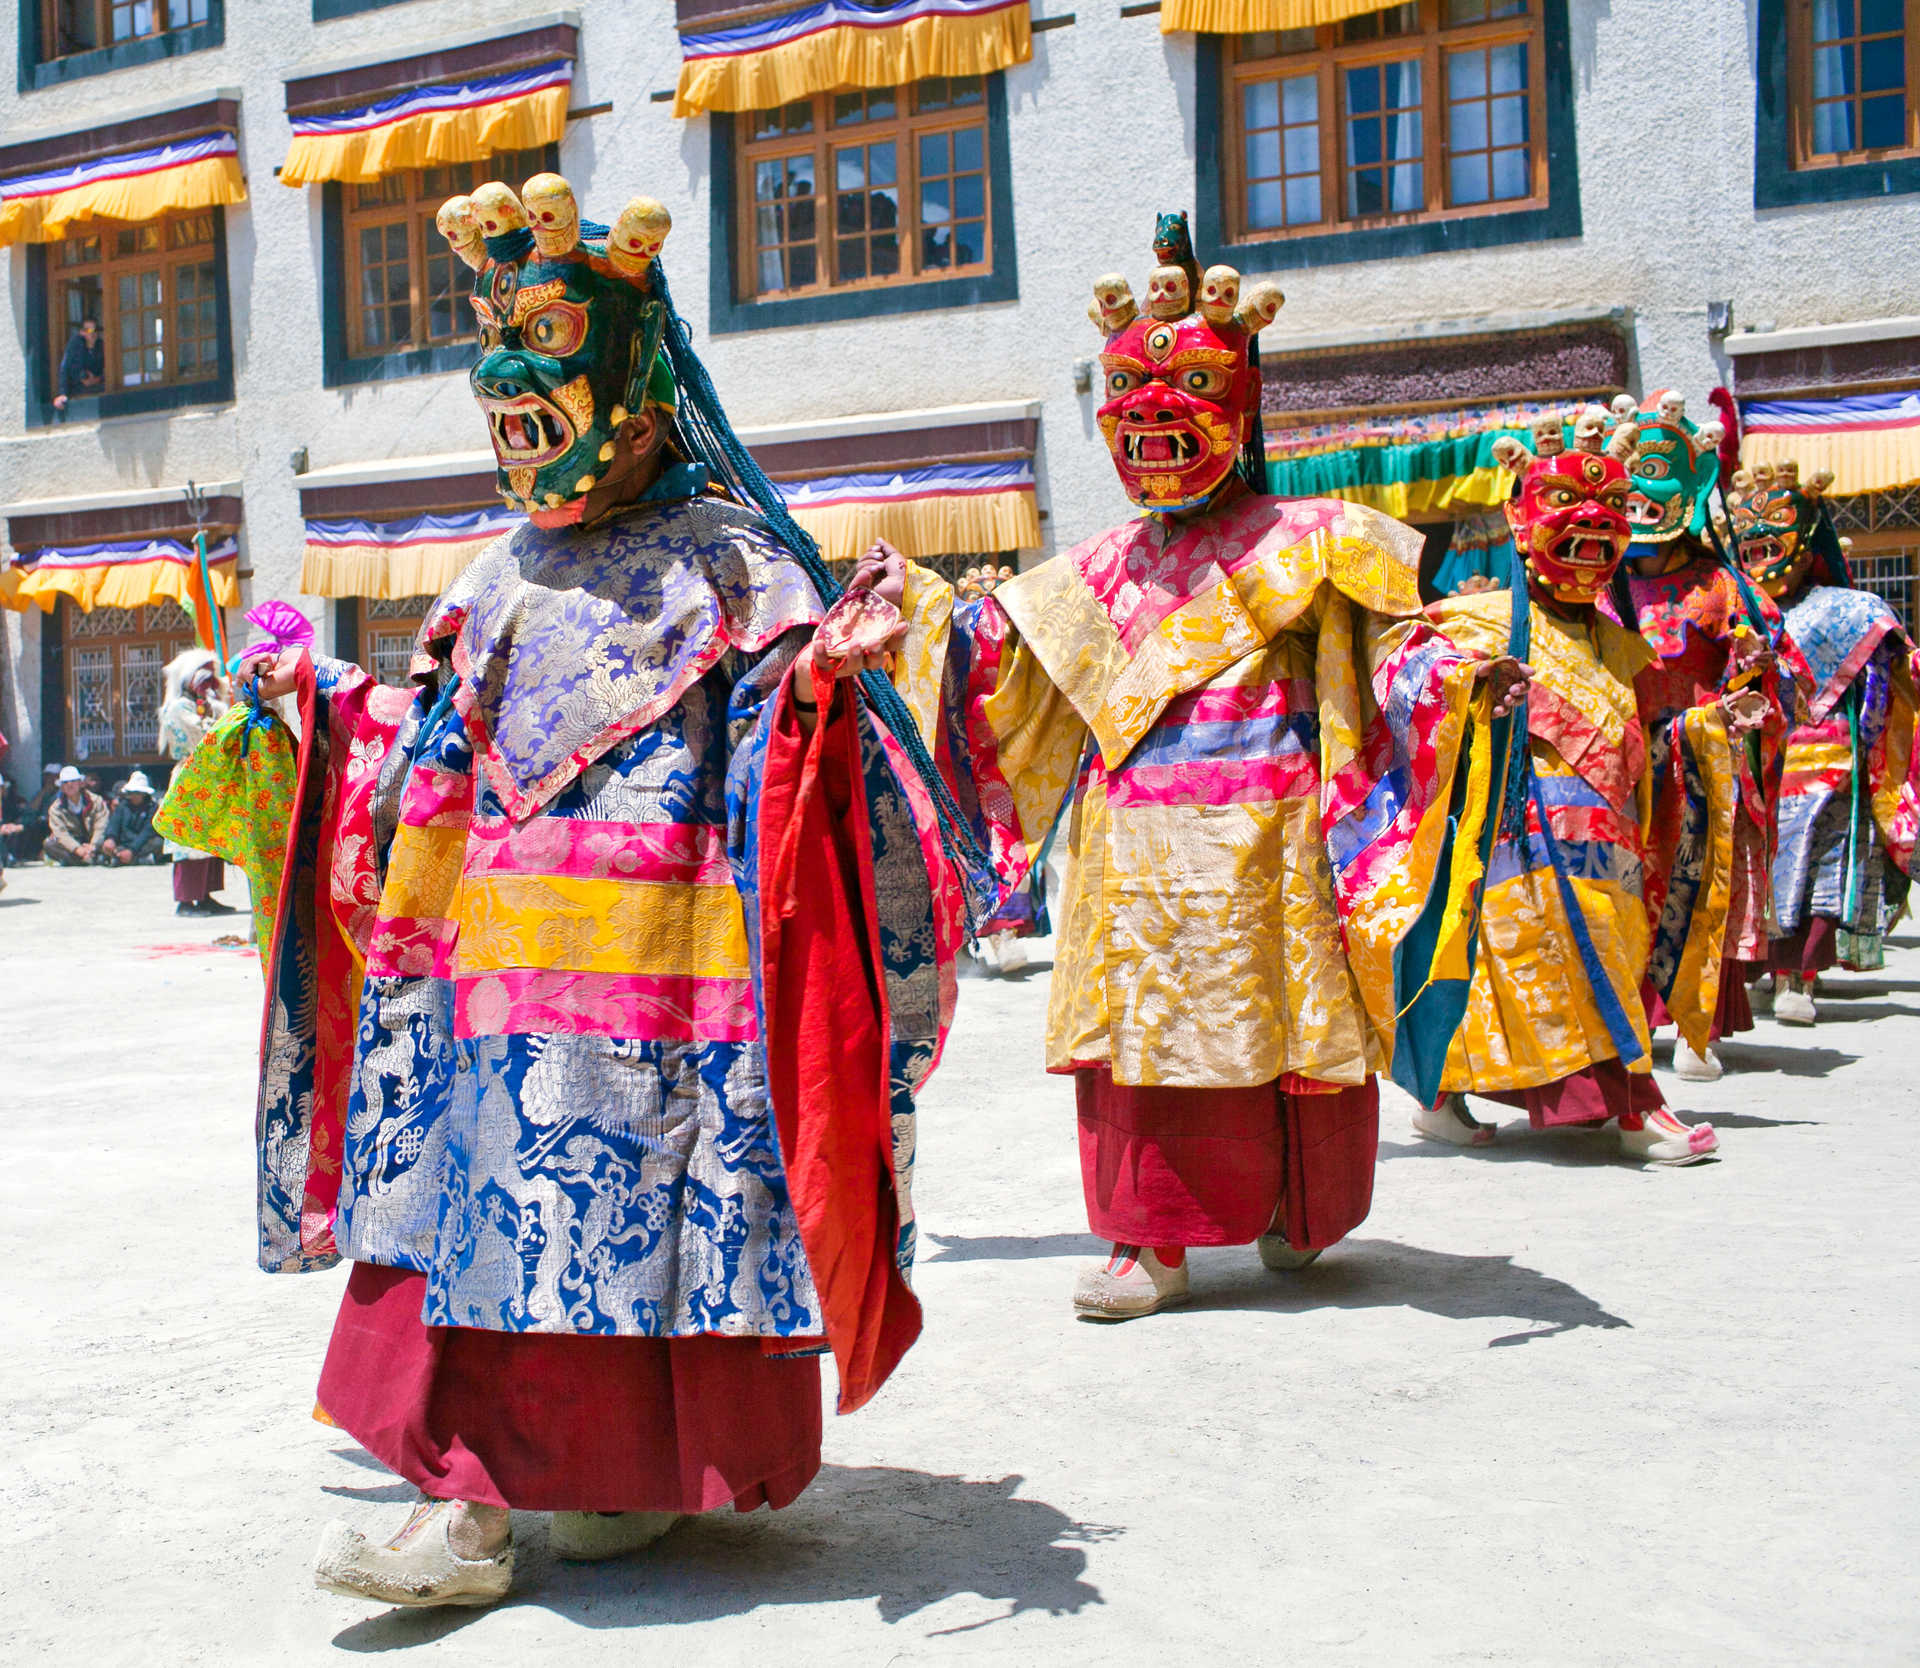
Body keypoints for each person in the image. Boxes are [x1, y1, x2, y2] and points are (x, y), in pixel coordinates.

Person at [233, 172, 962, 1609]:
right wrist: (332, 718)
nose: (523, 440)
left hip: (670, 975)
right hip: (497, 977)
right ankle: (471, 1510)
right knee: (489, 1212)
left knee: (639, 1210)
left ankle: (610, 1481)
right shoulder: (497, 570)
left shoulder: (741, 568)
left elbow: (789, 757)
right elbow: (438, 751)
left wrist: (819, 684)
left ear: (638, 399)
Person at [953, 214, 1447, 1321]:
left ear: (1241, 408)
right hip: (1132, 856)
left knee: (1282, 1032)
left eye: (1180, 415)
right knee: (1143, 1049)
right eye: (1130, 421)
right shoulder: (1089, 572)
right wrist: (908, 644)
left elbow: (1395, 658)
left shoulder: (1319, 539)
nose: (1155, 439)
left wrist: (1455, 672)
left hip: (1274, 842)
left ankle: (1290, 1208)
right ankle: (1152, 1242)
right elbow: (998, 689)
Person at [1355, 408, 1752, 1167]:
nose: (1590, 541)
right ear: (1521, 523)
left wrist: (1707, 727)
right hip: (1517, 833)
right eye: (1568, 523)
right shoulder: (1476, 617)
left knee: (1577, 966)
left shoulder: (1615, 639)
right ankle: (1633, 1107)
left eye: (1605, 529)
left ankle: (1443, 1098)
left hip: (1612, 842)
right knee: (1541, 968)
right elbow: (1398, 680)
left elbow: (1647, 744)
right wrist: (1471, 687)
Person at [1601, 392, 1805, 1080]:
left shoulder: (1722, 585)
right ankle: (1627, 1021)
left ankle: (1694, 1031)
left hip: (1697, 763)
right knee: (1623, 892)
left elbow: (1773, 661)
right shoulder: (1599, 584)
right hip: (1624, 768)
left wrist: (1753, 670)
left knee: (1696, 887)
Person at [1727, 463, 1916, 1023]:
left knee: (1821, 865)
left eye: (1773, 547)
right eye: (1751, 550)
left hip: (1826, 752)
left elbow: (1890, 679)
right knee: (1755, 865)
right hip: (1756, 755)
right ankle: (1760, 969)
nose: (1762, 563)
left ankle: (1799, 977)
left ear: (1807, 548)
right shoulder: (1732, 608)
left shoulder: (1852, 610)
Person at [158, 650, 238, 915]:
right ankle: (185, 900)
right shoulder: (179, 707)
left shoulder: (205, 704)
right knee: (188, 840)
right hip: (190, 776)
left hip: (209, 776)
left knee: (209, 839)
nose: (208, 685)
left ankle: (204, 895)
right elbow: (205, 733)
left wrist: (218, 705)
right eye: (203, 680)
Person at [42, 764, 106, 865]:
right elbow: (61, 834)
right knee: (49, 844)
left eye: (73, 781)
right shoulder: (56, 808)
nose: (69, 784)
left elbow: (101, 826)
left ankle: (87, 858)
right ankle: (84, 860)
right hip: (73, 843)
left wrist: (93, 845)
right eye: (65, 782)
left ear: (80, 783)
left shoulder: (97, 801)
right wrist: (77, 849)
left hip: (94, 841)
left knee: (108, 843)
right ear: (61, 787)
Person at [99, 770, 163, 864]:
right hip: (124, 842)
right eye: (132, 792)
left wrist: (132, 850)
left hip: (142, 844)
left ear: (144, 794)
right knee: (102, 843)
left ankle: (126, 859)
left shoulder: (153, 808)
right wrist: (111, 838)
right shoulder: (122, 806)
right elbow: (114, 824)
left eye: (138, 792)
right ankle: (138, 860)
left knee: (158, 843)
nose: (134, 795)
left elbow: (147, 832)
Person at [53, 316, 103, 413]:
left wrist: (97, 379)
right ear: (82, 332)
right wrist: (62, 393)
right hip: (78, 390)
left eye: (95, 330)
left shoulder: (101, 345)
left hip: (99, 388)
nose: (92, 333)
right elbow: (65, 368)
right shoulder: (76, 345)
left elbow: (108, 370)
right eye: (88, 330)